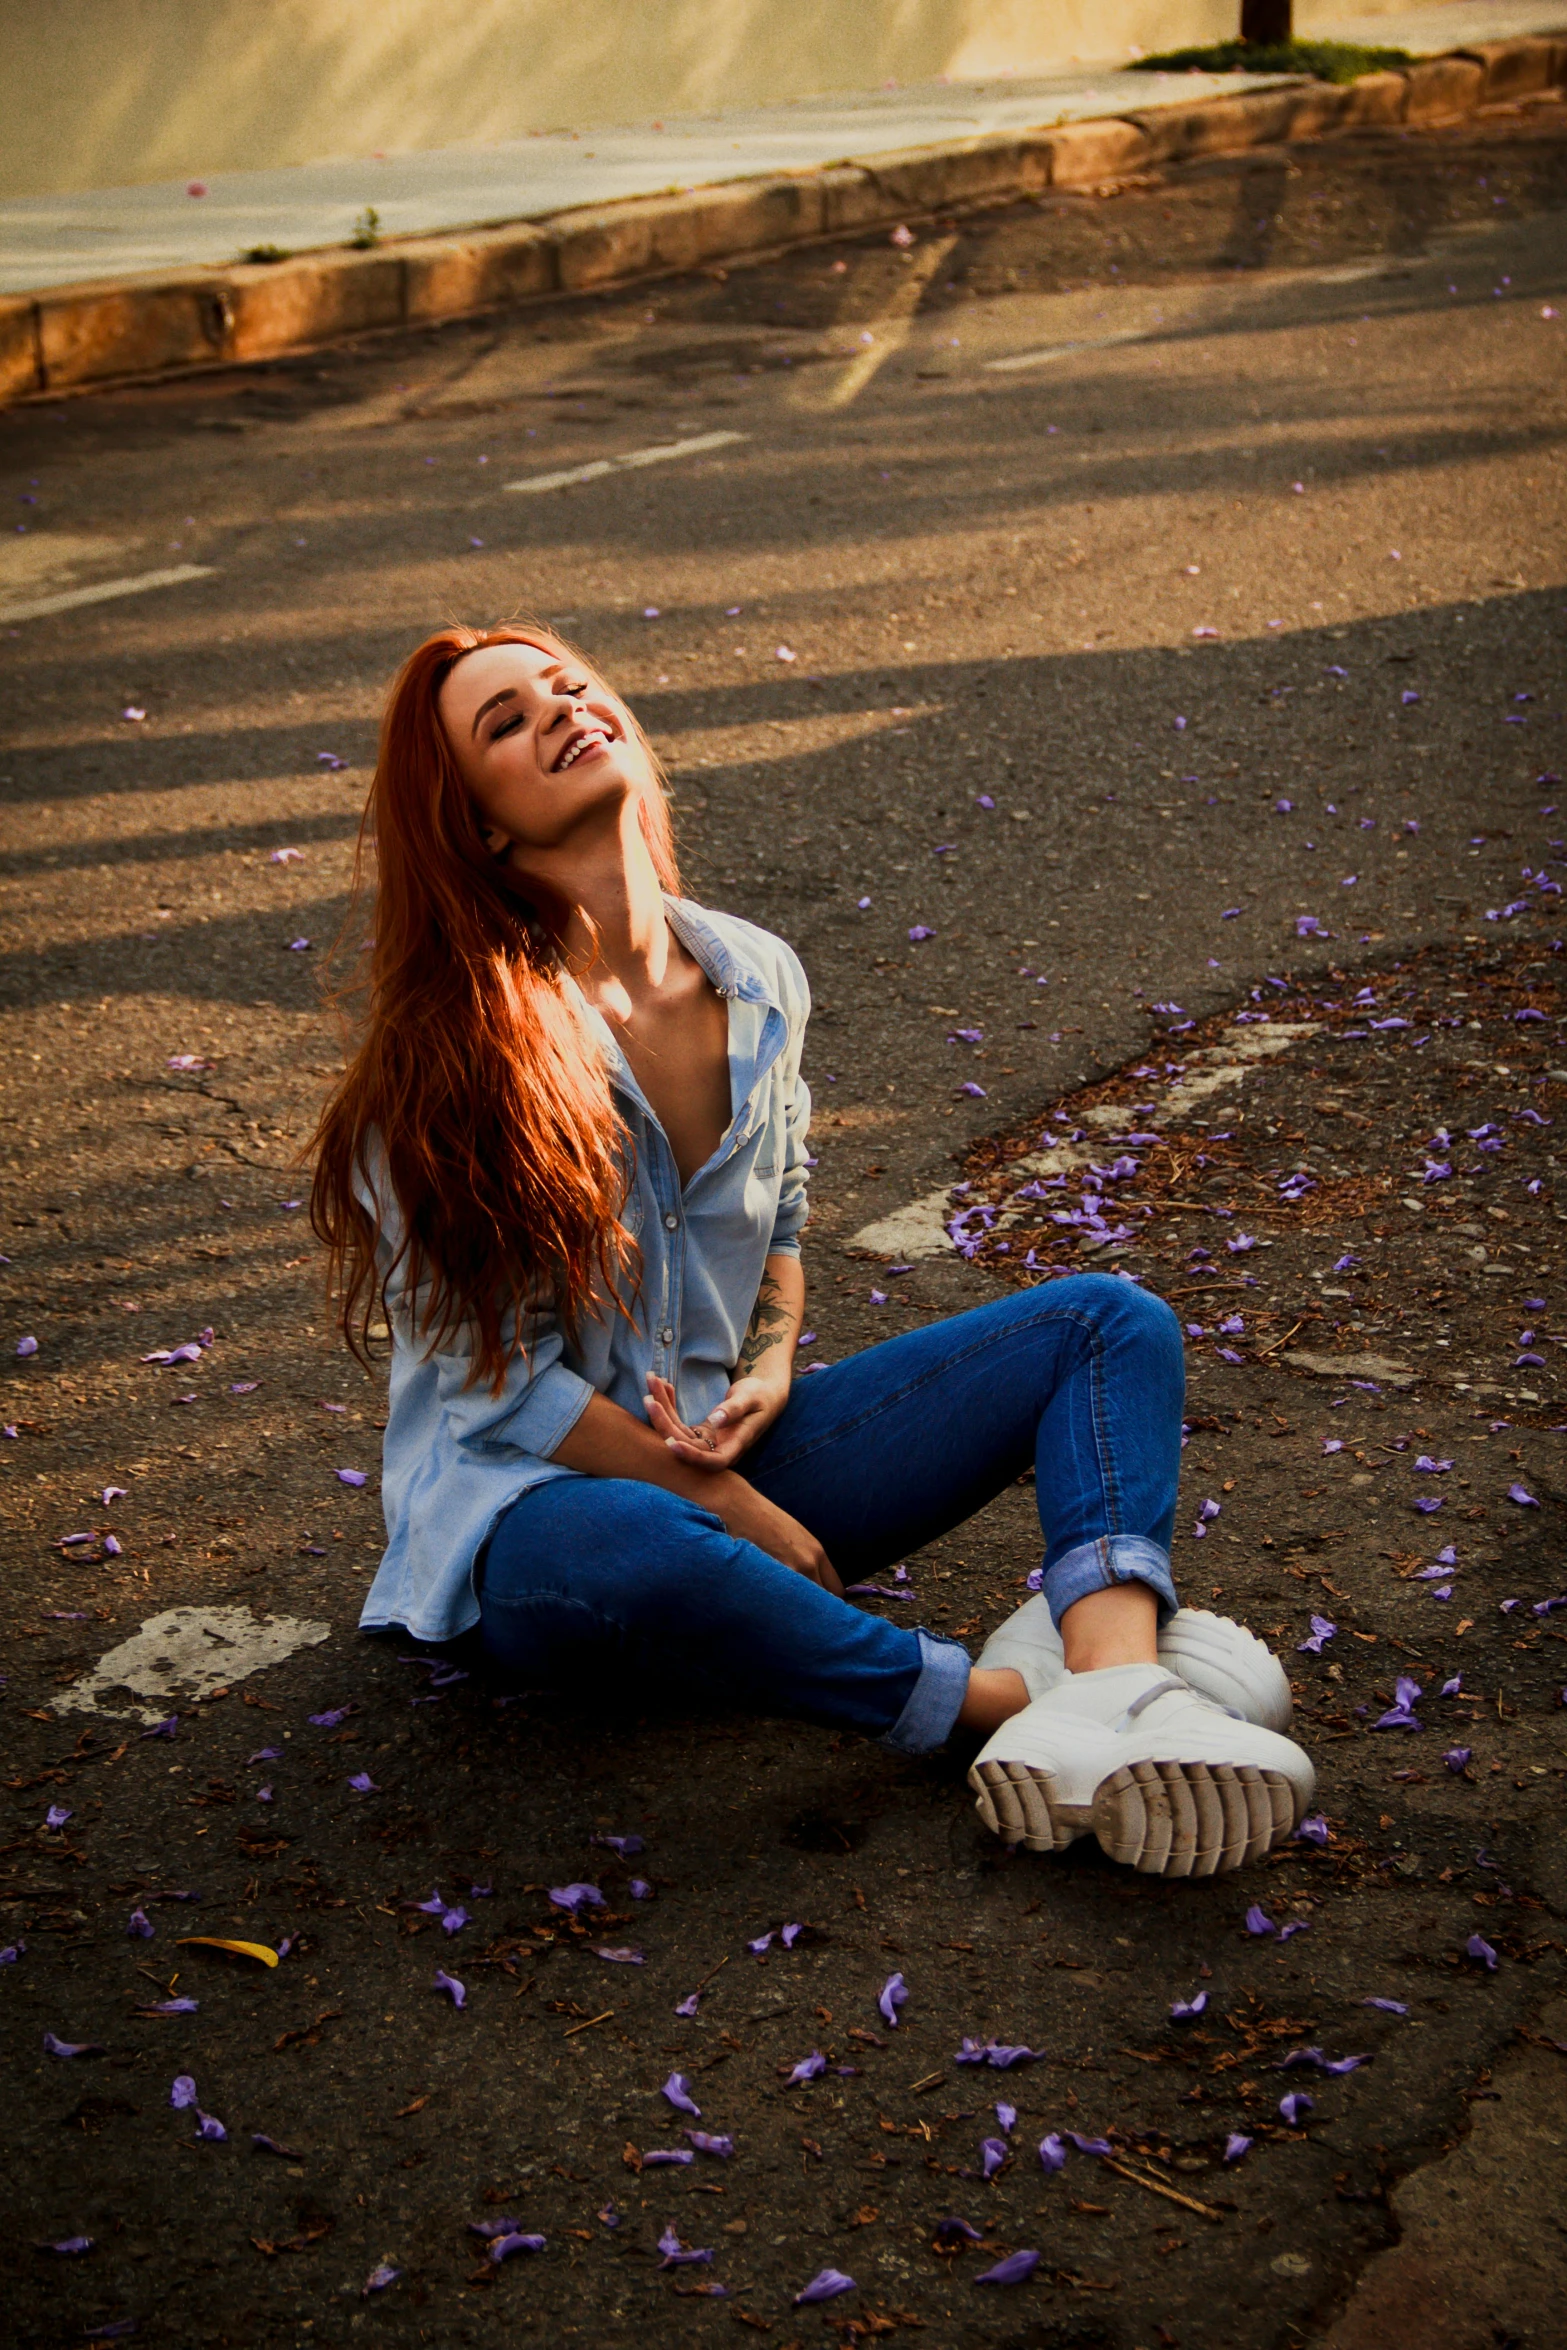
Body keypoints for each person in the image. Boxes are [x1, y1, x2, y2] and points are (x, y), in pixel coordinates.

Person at [311, 622, 1314, 1880]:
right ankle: (999, 1705)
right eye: (504, 722)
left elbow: (781, 1229)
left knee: (1106, 1322)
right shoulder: (450, 1056)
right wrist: (731, 1505)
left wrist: (770, 1378)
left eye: (566, 683)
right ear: (477, 825)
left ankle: (1114, 1697)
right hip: (532, 1528)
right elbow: (499, 1391)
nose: (558, 708)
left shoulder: (756, 976)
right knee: (633, 1543)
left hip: (734, 1457)